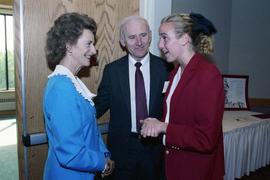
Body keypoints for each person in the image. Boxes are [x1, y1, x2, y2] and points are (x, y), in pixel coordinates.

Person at [140, 13, 225, 180]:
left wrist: (163, 127)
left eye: (165, 38)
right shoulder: (174, 74)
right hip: (172, 166)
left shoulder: (208, 74)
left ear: (185, 39)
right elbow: (177, 117)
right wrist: (154, 124)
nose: (159, 45)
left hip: (196, 170)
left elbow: (206, 139)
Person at [94, 16, 171, 180]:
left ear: (150, 36)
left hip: (155, 150)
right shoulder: (112, 71)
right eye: (131, 37)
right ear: (122, 41)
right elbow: (97, 107)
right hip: (121, 152)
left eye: (143, 35)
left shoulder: (167, 68)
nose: (139, 42)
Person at [43, 12, 114, 180]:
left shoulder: (72, 82)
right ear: (69, 45)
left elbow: (91, 131)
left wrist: (104, 154)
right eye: (88, 44)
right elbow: (71, 154)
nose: (94, 50)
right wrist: (101, 162)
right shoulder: (61, 89)